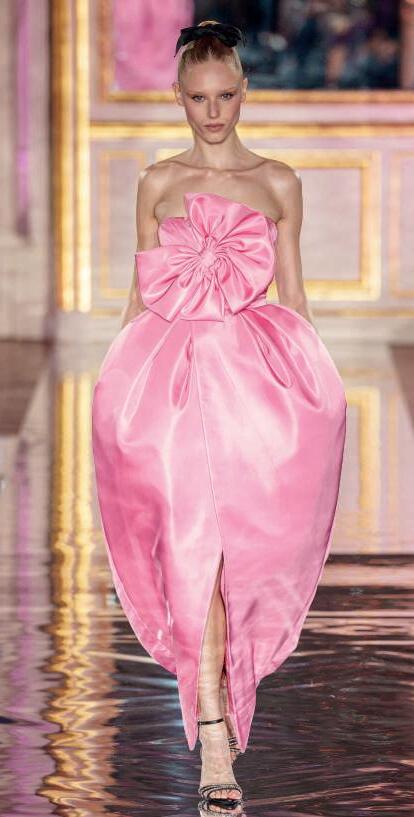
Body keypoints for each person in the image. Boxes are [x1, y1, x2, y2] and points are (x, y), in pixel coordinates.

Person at [91, 19, 347, 814]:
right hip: (172, 387)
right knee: (194, 555)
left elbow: (294, 299)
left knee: (241, 562)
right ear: (178, 96)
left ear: (245, 91)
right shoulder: (157, 182)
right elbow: (140, 296)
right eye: (198, 97)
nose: (212, 112)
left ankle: (231, 702)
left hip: (253, 386)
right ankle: (212, 738)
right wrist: (113, 390)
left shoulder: (279, 183)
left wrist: (320, 398)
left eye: (225, 95)